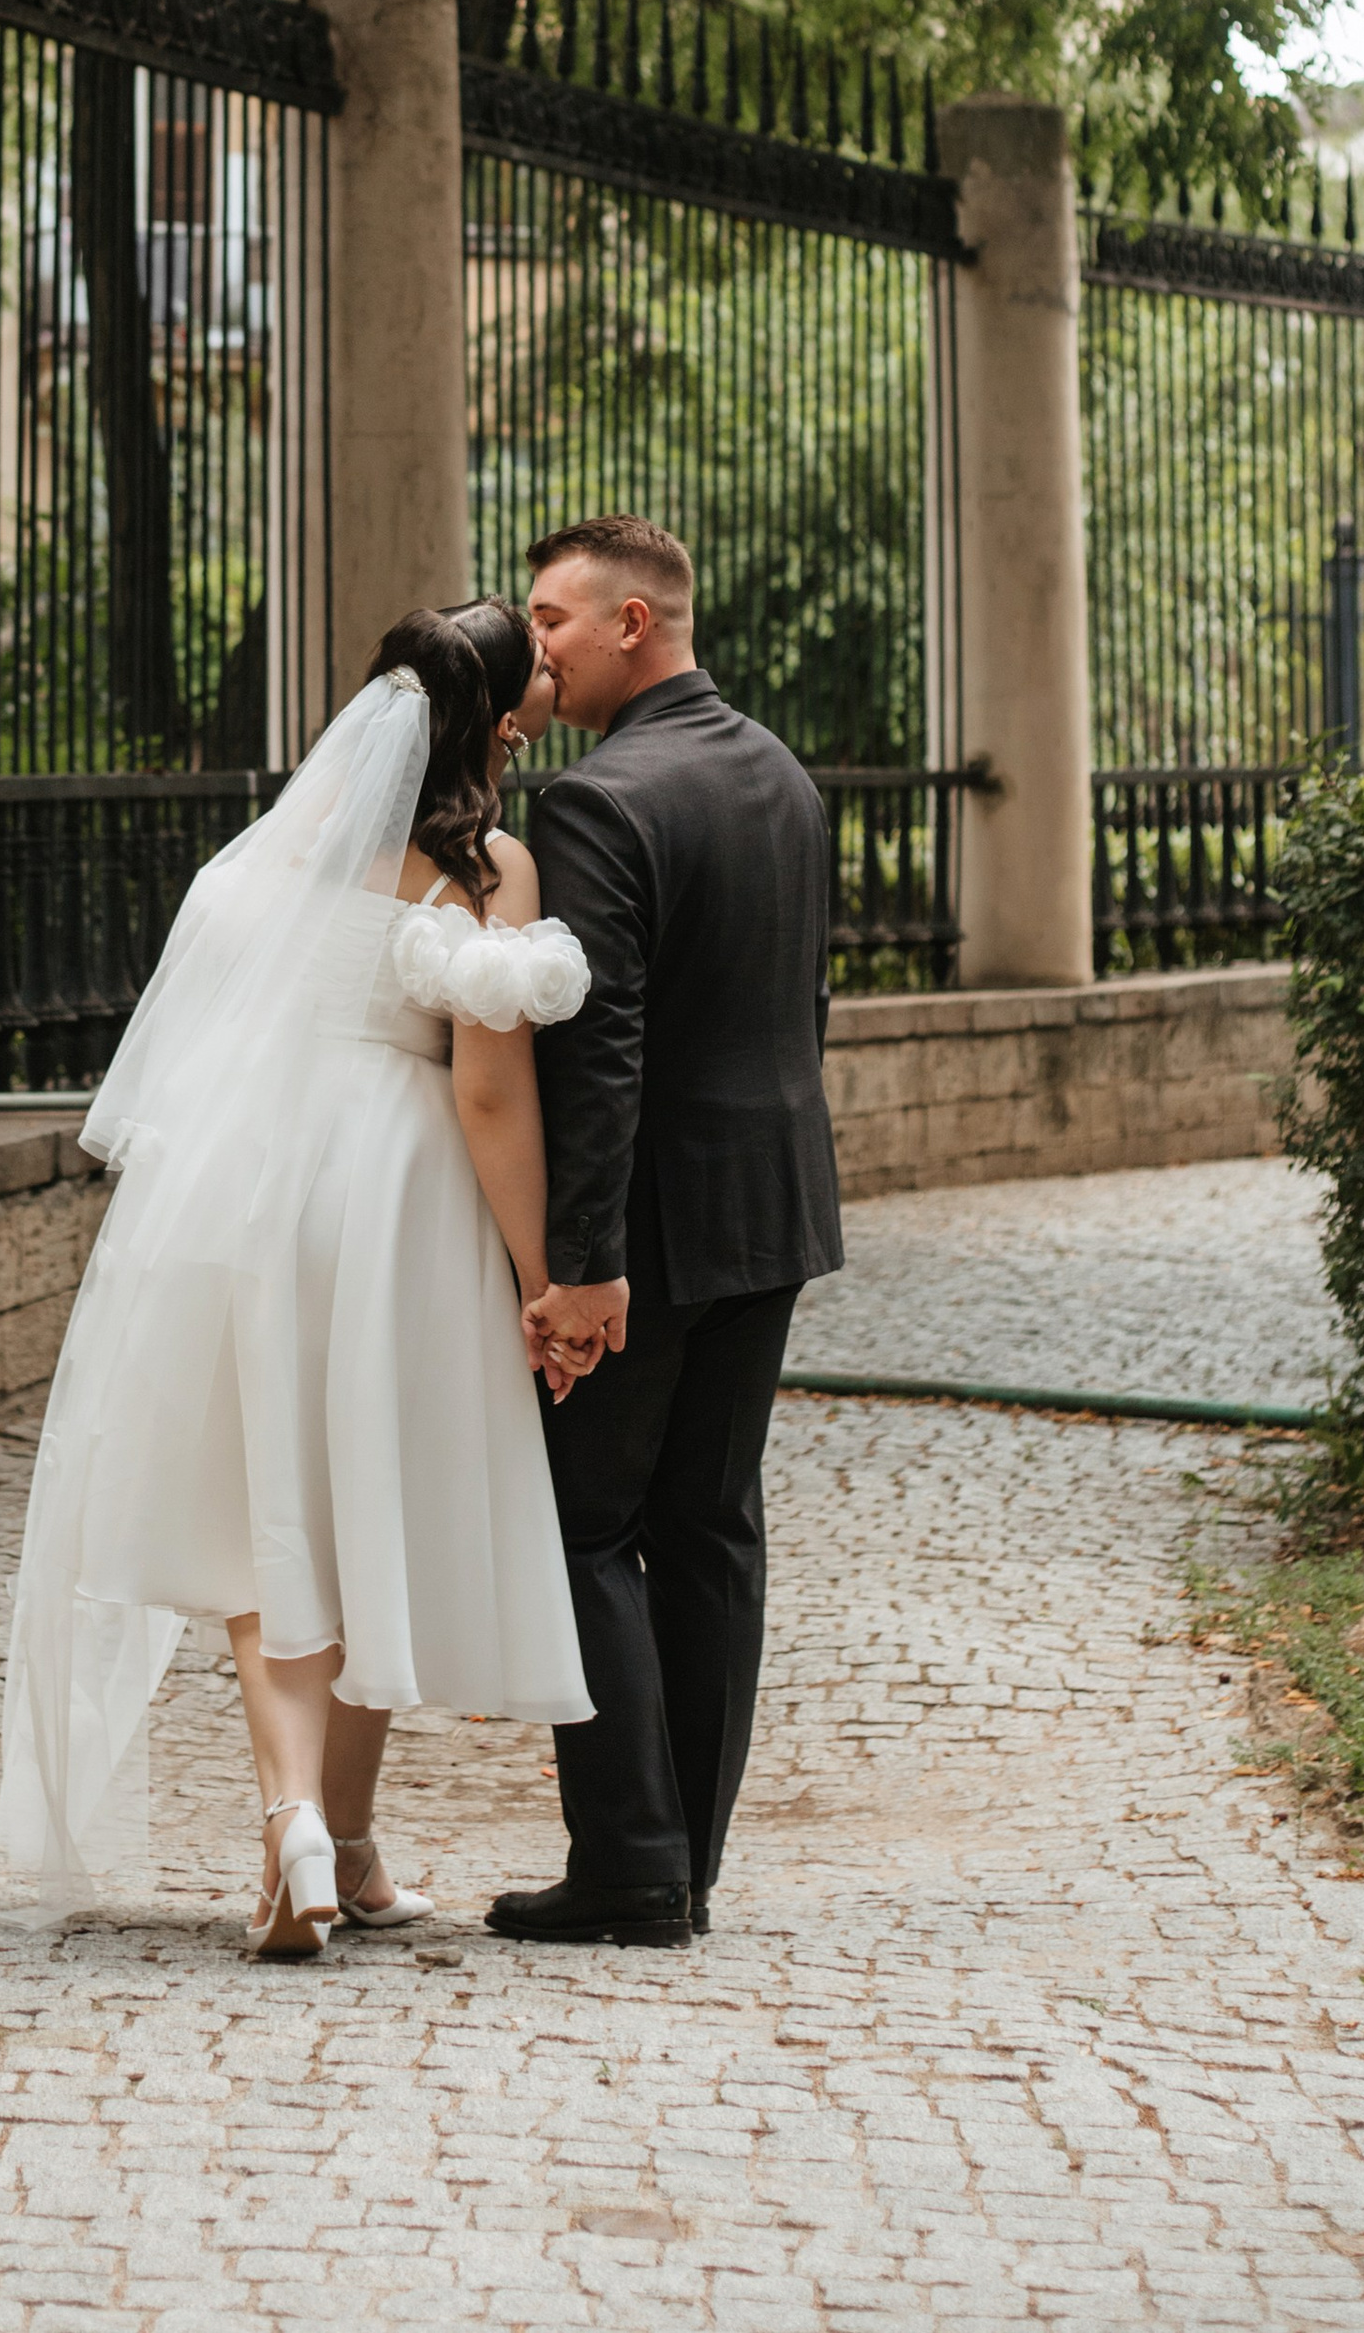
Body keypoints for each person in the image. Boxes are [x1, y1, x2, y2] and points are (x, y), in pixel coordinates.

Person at [0, 597, 602, 1953]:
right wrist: (542, 1274)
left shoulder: (267, 859)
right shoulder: (488, 867)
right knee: (363, 1501)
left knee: (270, 1513)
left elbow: (191, 1048)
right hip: (394, 1194)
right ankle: (343, 1833)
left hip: (242, 1187)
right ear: (498, 723)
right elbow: (493, 1099)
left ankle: (310, 1832)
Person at [489, 513, 841, 1951]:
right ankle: (688, 1851)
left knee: (581, 1524)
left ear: (635, 622)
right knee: (710, 1523)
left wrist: (584, 1267)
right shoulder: (784, 774)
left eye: (553, 618)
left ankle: (632, 1859)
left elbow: (604, 1052)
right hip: (774, 1207)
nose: (536, 645)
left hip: (649, 1229)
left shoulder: (599, 801)